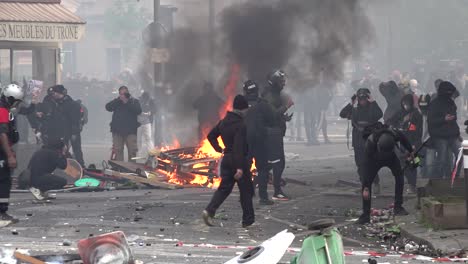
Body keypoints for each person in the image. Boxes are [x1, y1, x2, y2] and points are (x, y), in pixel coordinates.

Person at [202, 95, 255, 228]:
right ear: (243, 109)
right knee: (246, 191)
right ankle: (248, 220)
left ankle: (209, 210)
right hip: (238, 160)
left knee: (224, 189)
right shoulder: (240, 125)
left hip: (226, 159)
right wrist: (239, 168)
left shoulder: (224, 121)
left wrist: (219, 149)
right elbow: (238, 146)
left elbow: (211, 136)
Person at [357, 123, 413, 224]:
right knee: (366, 186)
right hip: (374, 160)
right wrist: (365, 186)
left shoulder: (395, 134)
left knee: (400, 177)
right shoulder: (370, 142)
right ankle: (365, 215)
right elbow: (366, 165)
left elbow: (404, 139)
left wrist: (411, 151)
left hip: (391, 158)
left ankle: (398, 207)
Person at [340, 88, 383, 192]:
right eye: (360, 98)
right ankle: (365, 184)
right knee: (360, 164)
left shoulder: (372, 108)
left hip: (370, 140)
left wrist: (373, 102)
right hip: (358, 141)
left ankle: (375, 182)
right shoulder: (354, 110)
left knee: (371, 163)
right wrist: (351, 102)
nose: (362, 101)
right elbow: (342, 114)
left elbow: (379, 114)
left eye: (364, 98)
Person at [262, 70, 294, 201]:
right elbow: (272, 114)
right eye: (281, 82)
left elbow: (275, 114)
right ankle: (276, 191)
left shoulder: (274, 93)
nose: (284, 84)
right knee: (278, 163)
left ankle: (256, 188)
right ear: (275, 82)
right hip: (272, 134)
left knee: (269, 164)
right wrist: (286, 106)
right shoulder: (270, 95)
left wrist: (284, 117)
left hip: (275, 132)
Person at [243, 80, 276, 205]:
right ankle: (263, 197)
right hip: (260, 141)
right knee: (262, 169)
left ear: (245, 90)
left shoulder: (240, 103)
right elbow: (272, 120)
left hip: (244, 141)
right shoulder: (263, 104)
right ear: (256, 91)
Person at [388, 94, 423, 193]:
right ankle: (409, 184)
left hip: (413, 143)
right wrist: (398, 124)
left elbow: (418, 130)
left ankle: (413, 185)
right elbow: (390, 121)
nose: (405, 106)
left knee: (413, 164)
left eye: (407, 104)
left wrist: (415, 144)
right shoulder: (400, 113)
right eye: (403, 104)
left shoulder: (416, 114)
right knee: (403, 164)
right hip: (401, 142)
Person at [427, 81, 462, 179]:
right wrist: (443, 119)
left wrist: (457, 133)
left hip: (452, 134)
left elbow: (454, 119)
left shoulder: (451, 103)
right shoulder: (434, 104)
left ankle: (454, 176)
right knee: (441, 160)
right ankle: (437, 180)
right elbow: (430, 121)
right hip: (440, 136)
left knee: (460, 156)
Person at [0, 84, 24, 223]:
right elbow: (2, 134)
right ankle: (2, 213)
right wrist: (9, 155)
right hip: (1, 153)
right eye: (16, 101)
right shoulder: (2, 110)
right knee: (3, 181)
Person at [106, 86, 142, 162]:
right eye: (121, 94)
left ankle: (132, 169)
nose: (123, 95)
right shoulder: (117, 102)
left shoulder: (133, 101)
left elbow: (138, 111)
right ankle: (119, 168)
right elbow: (108, 107)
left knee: (132, 151)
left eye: (124, 93)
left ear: (128, 93)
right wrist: (118, 101)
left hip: (130, 131)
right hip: (117, 131)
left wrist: (127, 102)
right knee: (118, 151)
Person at [50, 85, 83, 166]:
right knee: (61, 149)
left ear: (59, 93)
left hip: (71, 131)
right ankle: (63, 166)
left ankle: (81, 166)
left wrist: (74, 132)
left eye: (54, 92)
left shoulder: (71, 104)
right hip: (61, 131)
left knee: (76, 149)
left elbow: (75, 119)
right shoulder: (57, 103)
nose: (52, 94)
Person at [137, 91, 155, 156]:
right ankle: (139, 153)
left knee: (148, 138)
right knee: (139, 139)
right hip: (139, 123)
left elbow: (154, 110)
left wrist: (150, 113)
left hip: (147, 123)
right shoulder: (139, 101)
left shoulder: (151, 101)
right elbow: (136, 111)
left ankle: (152, 154)